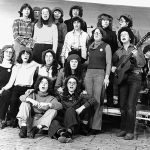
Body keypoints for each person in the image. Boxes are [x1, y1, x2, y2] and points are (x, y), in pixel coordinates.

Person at [112, 27, 145, 140]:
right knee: (122, 106)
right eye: (121, 35)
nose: (123, 36)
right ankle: (123, 129)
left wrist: (136, 55)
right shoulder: (118, 51)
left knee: (131, 106)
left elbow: (142, 63)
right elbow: (115, 65)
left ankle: (130, 131)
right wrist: (114, 68)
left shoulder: (136, 48)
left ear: (130, 37)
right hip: (123, 79)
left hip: (135, 77)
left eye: (125, 34)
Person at [48, 75, 96, 143]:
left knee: (70, 109)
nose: (71, 84)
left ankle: (69, 132)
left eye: (74, 83)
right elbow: (53, 100)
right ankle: (63, 135)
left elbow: (93, 99)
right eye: (69, 82)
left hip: (74, 123)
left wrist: (81, 108)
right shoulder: (61, 95)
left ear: (76, 85)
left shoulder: (80, 95)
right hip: (63, 122)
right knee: (54, 122)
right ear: (66, 85)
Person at [0, 48, 39, 127]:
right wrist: (3, 89)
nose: (25, 55)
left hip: (27, 88)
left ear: (30, 56)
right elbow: (11, 81)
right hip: (17, 88)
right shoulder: (16, 66)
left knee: (22, 102)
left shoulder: (34, 65)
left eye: (27, 54)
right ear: (20, 56)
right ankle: (12, 119)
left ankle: (19, 121)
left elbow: (43, 67)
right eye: (23, 54)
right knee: (13, 100)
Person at [84, 27, 112, 134]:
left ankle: (95, 127)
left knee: (97, 100)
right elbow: (88, 62)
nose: (96, 34)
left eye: (99, 33)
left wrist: (107, 77)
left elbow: (109, 63)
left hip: (100, 74)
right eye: (95, 33)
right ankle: (87, 125)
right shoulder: (90, 47)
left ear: (102, 35)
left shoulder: (106, 46)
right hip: (89, 74)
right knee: (89, 100)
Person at [0, 45, 15, 129]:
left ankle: (1, 119)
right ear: (3, 52)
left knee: (5, 94)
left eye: (10, 52)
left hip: (8, 88)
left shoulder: (14, 66)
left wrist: (2, 89)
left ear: (13, 54)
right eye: (6, 51)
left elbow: (11, 82)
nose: (8, 54)